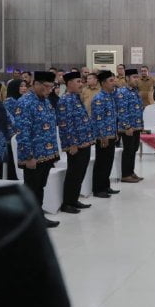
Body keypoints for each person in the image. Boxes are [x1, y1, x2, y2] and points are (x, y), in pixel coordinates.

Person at [15, 71, 61, 228]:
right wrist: (28, 156)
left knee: (39, 187)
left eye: (51, 87)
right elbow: (22, 132)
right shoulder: (25, 102)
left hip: (46, 154)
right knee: (31, 188)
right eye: (46, 87)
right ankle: (29, 221)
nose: (49, 90)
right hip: (33, 156)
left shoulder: (45, 101)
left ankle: (38, 217)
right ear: (36, 84)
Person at [57, 72, 94, 214]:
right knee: (74, 173)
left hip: (84, 141)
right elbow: (65, 124)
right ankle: (67, 203)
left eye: (81, 81)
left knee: (80, 173)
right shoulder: (65, 100)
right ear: (69, 84)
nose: (81, 84)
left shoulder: (76, 98)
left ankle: (74, 199)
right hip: (75, 144)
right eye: (78, 81)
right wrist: (72, 143)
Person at [91, 70, 120, 197]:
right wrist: (103, 135)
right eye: (111, 81)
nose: (114, 83)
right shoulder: (99, 98)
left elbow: (112, 117)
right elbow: (98, 119)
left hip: (111, 134)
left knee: (108, 162)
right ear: (103, 83)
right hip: (103, 136)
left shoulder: (110, 96)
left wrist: (115, 132)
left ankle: (106, 186)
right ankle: (98, 189)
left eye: (114, 80)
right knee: (101, 163)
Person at [116, 69, 144, 183]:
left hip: (136, 126)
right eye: (134, 77)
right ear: (127, 78)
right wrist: (127, 126)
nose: (137, 79)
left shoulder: (135, 91)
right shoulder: (122, 92)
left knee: (133, 150)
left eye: (137, 77)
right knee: (128, 150)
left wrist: (141, 125)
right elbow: (122, 111)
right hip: (128, 128)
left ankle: (131, 172)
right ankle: (125, 174)